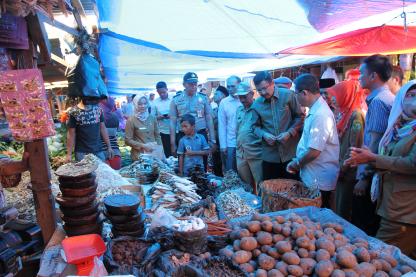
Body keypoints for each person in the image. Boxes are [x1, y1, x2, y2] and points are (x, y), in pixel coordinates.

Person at [345, 80, 416, 259]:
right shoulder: (400, 126)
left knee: (380, 259)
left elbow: (412, 164)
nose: (414, 101)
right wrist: (370, 158)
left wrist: (374, 158)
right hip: (390, 203)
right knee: (403, 261)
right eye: (411, 95)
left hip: (405, 212)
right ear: (401, 99)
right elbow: (390, 157)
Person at [354, 54, 394, 235]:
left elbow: (374, 144)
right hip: (380, 171)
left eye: (362, 73)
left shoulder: (378, 102)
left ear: (373, 76)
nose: (359, 77)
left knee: (365, 228)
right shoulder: (387, 98)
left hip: (372, 175)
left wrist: (364, 178)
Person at [287, 74, 340, 208]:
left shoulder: (320, 114)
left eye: (296, 94)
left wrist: (297, 163)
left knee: (317, 217)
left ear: (304, 93)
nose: (296, 98)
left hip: (319, 177)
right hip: (313, 173)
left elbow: (314, 151)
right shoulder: (315, 110)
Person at [252, 71, 304, 180]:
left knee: (292, 190)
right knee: (271, 190)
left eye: (265, 88)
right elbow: (254, 127)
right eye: (259, 90)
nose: (263, 92)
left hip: (290, 153)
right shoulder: (256, 104)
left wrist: (289, 133)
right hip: (270, 157)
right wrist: (264, 135)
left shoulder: (288, 95)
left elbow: (300, 117)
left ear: (272, 83)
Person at [326, 80, 366, 220]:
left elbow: (355, 146)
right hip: (341, 168)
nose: (333, 99)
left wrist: (342, 168)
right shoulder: (344, 113)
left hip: (348, 171)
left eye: (336, 95)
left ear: (346, 95)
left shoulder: (356, 116)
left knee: (343, 208)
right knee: (337, 205)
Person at [170, 72, 216, 163]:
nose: (194, 86)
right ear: (184, 84)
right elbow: (172, 122)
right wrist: (172, 143)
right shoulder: (176, 100)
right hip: (183, 136)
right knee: (183, 164)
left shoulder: (203, 98)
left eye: (195, 83)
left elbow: (209, 118)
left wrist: (213, 139)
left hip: (200, 135)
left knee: (202, 164)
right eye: (190, 84)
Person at [66, 97, 114, 162]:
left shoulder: (98, 109)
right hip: (81, 152)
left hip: (98, 150)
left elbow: (103, 128)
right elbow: (71, 134)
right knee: (85, 172)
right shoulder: (73, 112)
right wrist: (69, 154)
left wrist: (109, 146)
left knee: (101, 171)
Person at [236, 83, 263, 195]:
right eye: (240, 97)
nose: (242, 100)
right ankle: (250, 208)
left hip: (256, 153)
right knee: (246, 186)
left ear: (252, 94)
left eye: (244, 96)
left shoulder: (259, 108)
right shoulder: (239, 110)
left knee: (261, 184)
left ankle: (263, 209)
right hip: (241, 153)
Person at [125, 95, 162, 161]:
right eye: (140, 104)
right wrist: (143, 146)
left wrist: (160, 150)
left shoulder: (152, 118)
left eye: (145, 103)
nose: (143, 106)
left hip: (154, 153)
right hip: (139, 156)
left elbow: (157, 135)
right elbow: (128, 140)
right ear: (135, 104)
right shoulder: (131, 120)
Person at [218, 75, 242, 172]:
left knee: (244, 173)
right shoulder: (224, 103)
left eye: (233, 86)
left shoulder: (245, 99)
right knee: (231, 173)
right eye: (228, 87)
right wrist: (223, 145)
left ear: (239, 85)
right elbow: (222, 125)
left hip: (245, 143)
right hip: (231, 143)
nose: (230, 89)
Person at [100, 97, 122, 169]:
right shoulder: (115, 118)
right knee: (115, 177)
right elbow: (115, 135)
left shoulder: (97, 117)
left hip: (100, 153)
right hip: (115, 152)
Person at [211, 86, 228, 176]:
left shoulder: (228, 108)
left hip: (226, 141)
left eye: (216, 94)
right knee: (216, 163)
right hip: (216, 141)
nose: (214, 96)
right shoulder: (214, 110)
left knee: (226, 165)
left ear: (223, 96)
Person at [152, 81, 172, 157]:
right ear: (157, 92)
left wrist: (172, 115)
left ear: (167, 89)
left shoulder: (173, 99)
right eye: (160, 93)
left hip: (174, 130)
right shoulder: (155, 103)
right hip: (162, 131)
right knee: (166, 153)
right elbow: (152, 118)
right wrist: (159, 117)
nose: (162, 94)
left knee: (175, 152)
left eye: (163, 92)